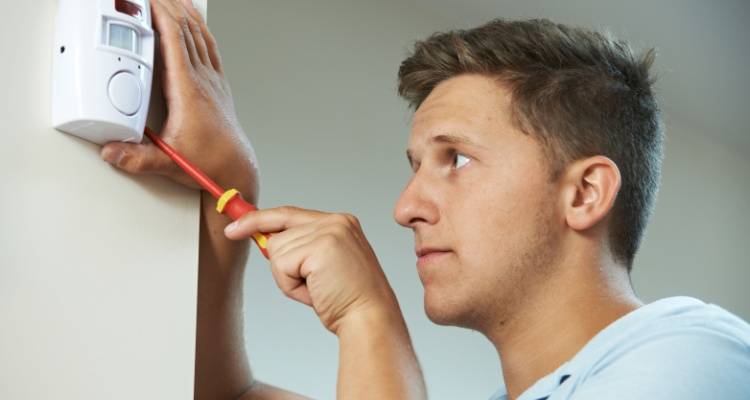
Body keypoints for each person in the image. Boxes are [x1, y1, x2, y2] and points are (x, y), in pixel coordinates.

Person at [100, 1, 750, 399]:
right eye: (416, 167)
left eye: (456, 159)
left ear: (584, 193)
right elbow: (224, 394)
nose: (406, 207)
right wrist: (228, 180)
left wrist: (368, 317)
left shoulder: (693, 356)